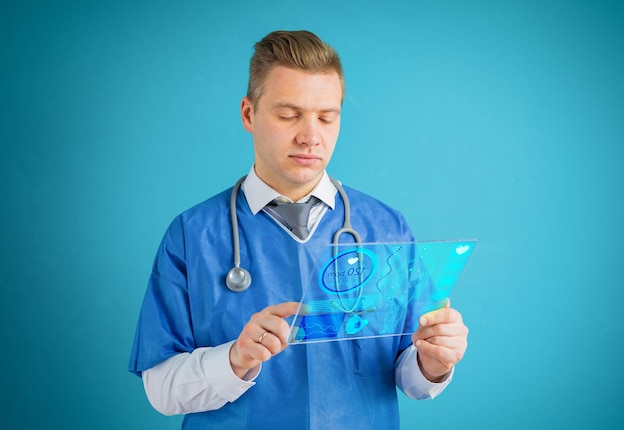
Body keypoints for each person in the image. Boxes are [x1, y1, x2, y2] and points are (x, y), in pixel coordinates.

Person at [129, 30, 468, 429]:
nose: (310, 136)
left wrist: (434, 362)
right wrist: (235, 359)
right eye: (289, 115)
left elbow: (409, 373)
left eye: (326, 117)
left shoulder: (386, 227)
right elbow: (160, 389)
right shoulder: (193, 235)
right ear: (248, 114)